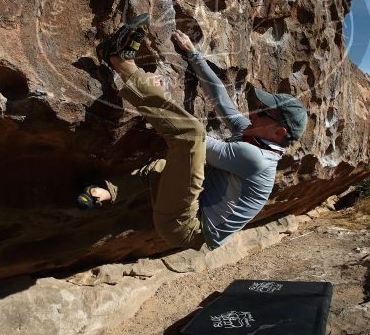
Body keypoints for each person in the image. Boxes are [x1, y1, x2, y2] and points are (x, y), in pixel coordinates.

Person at [77, 14, 308, 250]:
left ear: (279, 132)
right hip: (189, 208)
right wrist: (192, 54)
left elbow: (191, 140)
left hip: (187, 227)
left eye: (263, 112)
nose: (254, 111)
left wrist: (153, 90)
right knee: (165, 168)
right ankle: (104, 192)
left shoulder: (256, 160)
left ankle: (119, 60)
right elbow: (220, 97)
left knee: (192, 137)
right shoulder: (255, 133)